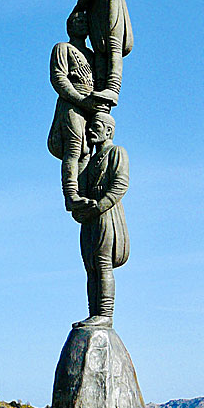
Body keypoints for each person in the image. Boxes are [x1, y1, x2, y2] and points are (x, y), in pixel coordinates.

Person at [72, 112, 130, 328]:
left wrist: (101, 205)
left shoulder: (117, 152)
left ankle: (105, 314)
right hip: (90, 215)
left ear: (108, 131)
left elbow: (120, 184)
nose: (90, 130)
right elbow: (80, 185)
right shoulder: (91, 160)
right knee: (91, 265)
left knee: (102, 262)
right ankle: (93, 313)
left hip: (106, 213)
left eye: (95, 126)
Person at [47, 11, 98, 211]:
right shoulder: (63, 48)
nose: (82, 24)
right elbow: (59, 78)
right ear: (70, 25)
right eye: (78, 21)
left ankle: (83, 192)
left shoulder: (91, 55)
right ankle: (71, 194)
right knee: (74, 146)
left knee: (87, 150)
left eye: (85, 21)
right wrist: (79, 99)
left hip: (89, 107)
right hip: (71, 104)